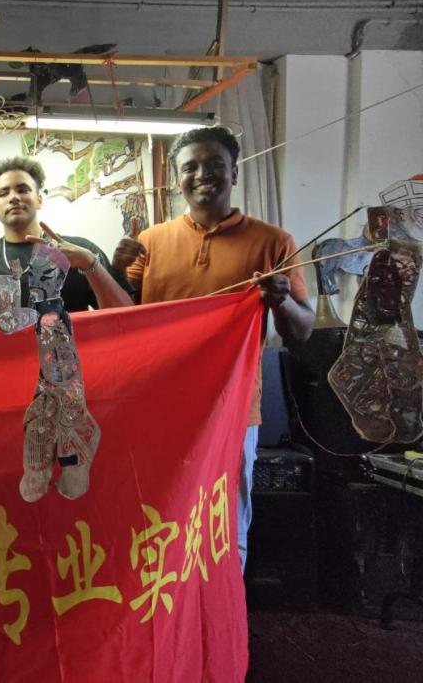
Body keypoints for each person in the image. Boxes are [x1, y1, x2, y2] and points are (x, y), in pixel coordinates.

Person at [112, 126, 314, 570]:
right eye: (191, 167)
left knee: (224, 525)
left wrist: (280, 300)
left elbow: (302, 331)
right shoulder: (150, 241)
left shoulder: (274, 241)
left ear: (234, 173)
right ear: (177, 179)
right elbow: (123, 321)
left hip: (233, 410)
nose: (203, 174)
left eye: (215, 165)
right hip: (159, 407)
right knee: (158, 516)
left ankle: (221, 610)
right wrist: (112, 268)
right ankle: (165, 609)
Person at [0, 156, 133, 317]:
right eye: (4, 193)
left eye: (22, 190)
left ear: (39, 200)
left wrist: (89, 262)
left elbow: (125, 316)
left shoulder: (80, 250)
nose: (14, 197)